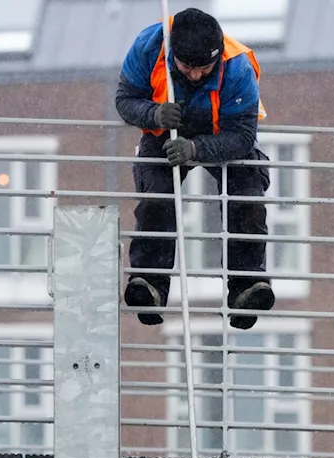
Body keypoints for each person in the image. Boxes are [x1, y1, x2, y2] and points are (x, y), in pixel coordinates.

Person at [115, 7, 275, 330]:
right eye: (188, 67)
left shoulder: (239, 69)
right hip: (163, 133)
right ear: (174, 53)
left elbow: (244, 137)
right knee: (156, 194)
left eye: (205, 68)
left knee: (247, 194)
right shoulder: (148, 47)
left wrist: (196, 149)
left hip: (224, 135)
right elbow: (125, 100)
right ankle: (149, 283)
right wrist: (155, 115)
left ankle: (246, 286)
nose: (196, 76)